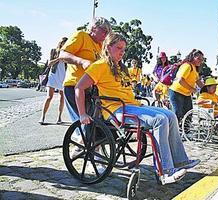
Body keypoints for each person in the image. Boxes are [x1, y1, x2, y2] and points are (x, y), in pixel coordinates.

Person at [74, 33, 200, 184]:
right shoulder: (99, 66)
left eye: (124, 49)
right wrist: (82, 114)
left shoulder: (121, 68)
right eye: (119, 48)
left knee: (170, 115)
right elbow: (79, 87)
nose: (122, 52)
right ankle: (164, 171)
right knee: (160, 120)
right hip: (116, 110)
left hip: (132, 106)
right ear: (108, 47)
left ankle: (180, 161)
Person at [58, 17, 111, 122]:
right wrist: (81, 61)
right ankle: (79, 137)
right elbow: (62, 54)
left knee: (94, 125)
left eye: (107, 32)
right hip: (74, 86)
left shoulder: (101, 46)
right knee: (84, 124)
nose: (106, 34)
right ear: (94, 28)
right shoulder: (81, 36)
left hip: (91, 90)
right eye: (104, 31)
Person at [169, 49, 204, 122]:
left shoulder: (194, 68)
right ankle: (174, 132)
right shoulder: (187, 66)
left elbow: (197, 81)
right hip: (177, 92)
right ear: (193, 57)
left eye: (202, 59)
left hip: (186, 94)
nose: (200, 61)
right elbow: (180, 80)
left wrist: (206, 89)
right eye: (199, 59)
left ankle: (186, 132)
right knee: (178, 114)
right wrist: (192, 89)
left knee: (188, 115)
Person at [39, 37, 68, 125]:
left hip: (63, 76)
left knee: (62, 97)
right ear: (61, 43)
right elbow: (49, 64)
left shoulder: (68, 52)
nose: (65, 45)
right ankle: (42, 117)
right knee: (49, 97)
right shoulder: (54, 51)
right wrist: (59, 58)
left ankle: (59, 117)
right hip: (53, 75)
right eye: (64, 43)